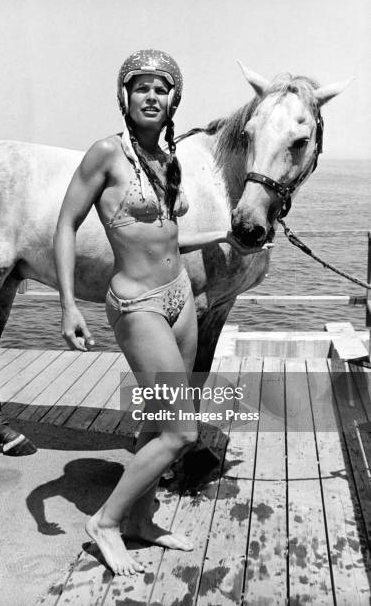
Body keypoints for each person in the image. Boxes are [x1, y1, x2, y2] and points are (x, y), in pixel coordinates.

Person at [55, 49, 270, 576]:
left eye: (161, 88)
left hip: (179, 298)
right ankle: (106, 521)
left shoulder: (168, 158)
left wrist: (222, 234)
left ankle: (142, 520)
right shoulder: (105, 155)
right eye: (141, 87)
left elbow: (169, 236)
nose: (151, 96)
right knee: (182, 431)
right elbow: (64, 225)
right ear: (124, 97)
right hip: (138, 304)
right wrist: (65, 304)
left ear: (174, 100)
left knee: (156, 422)